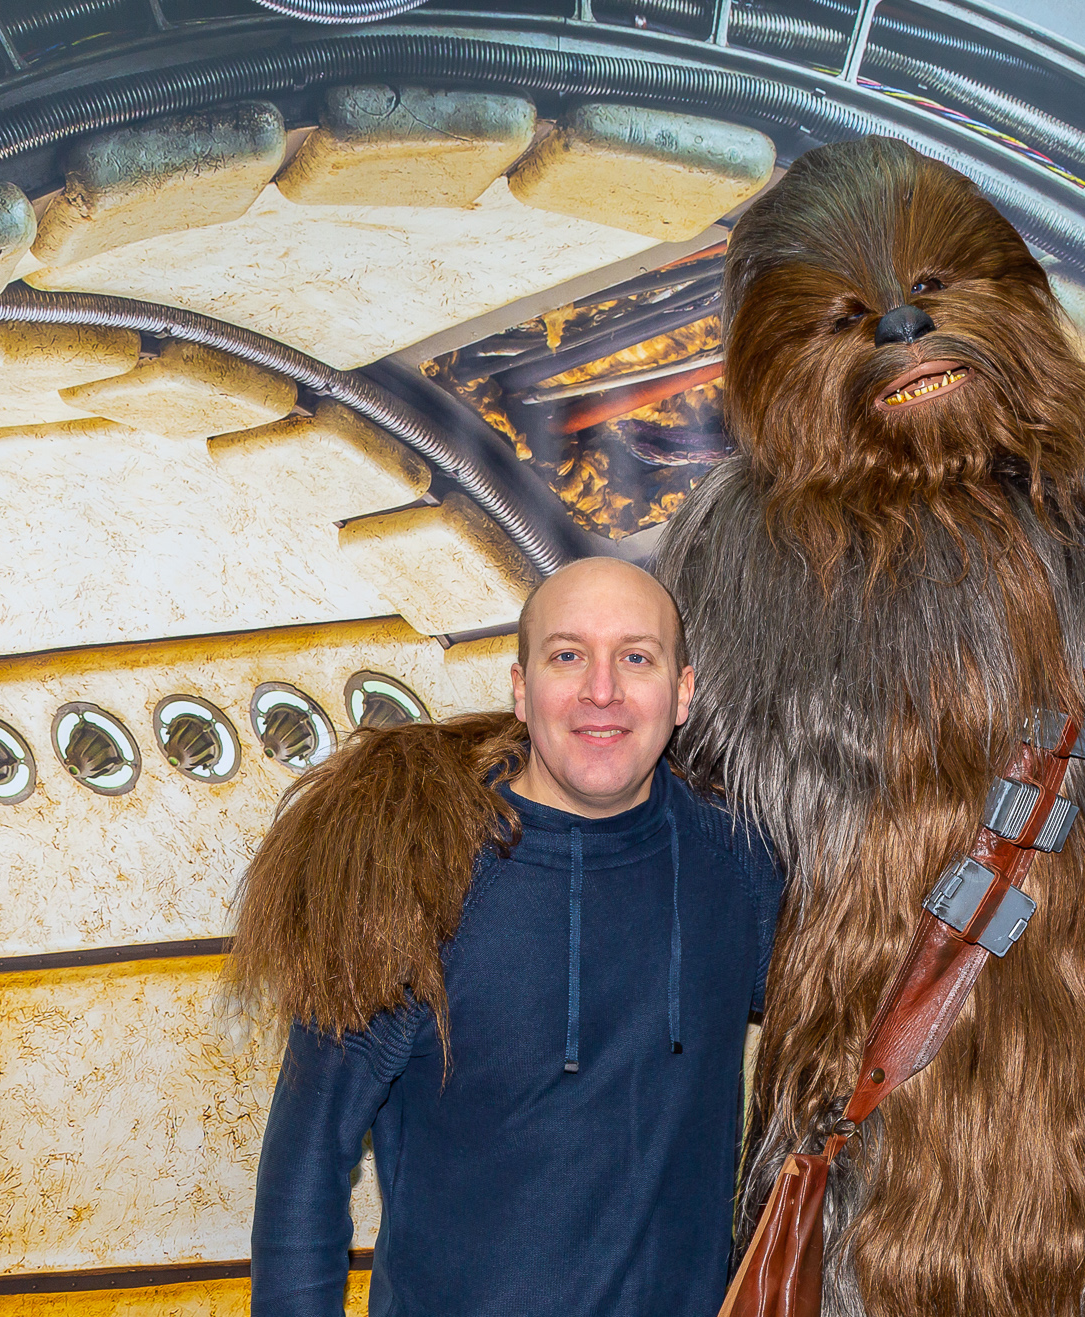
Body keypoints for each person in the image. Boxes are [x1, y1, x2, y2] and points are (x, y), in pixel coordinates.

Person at [239, 557, 781, 1317]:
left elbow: (861, 1035)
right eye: (568, 655)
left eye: (636, 657)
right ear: (522, 689)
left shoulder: (739, 869)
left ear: (683, 691)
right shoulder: (412, 874)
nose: (602, 689)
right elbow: (303, 1171)